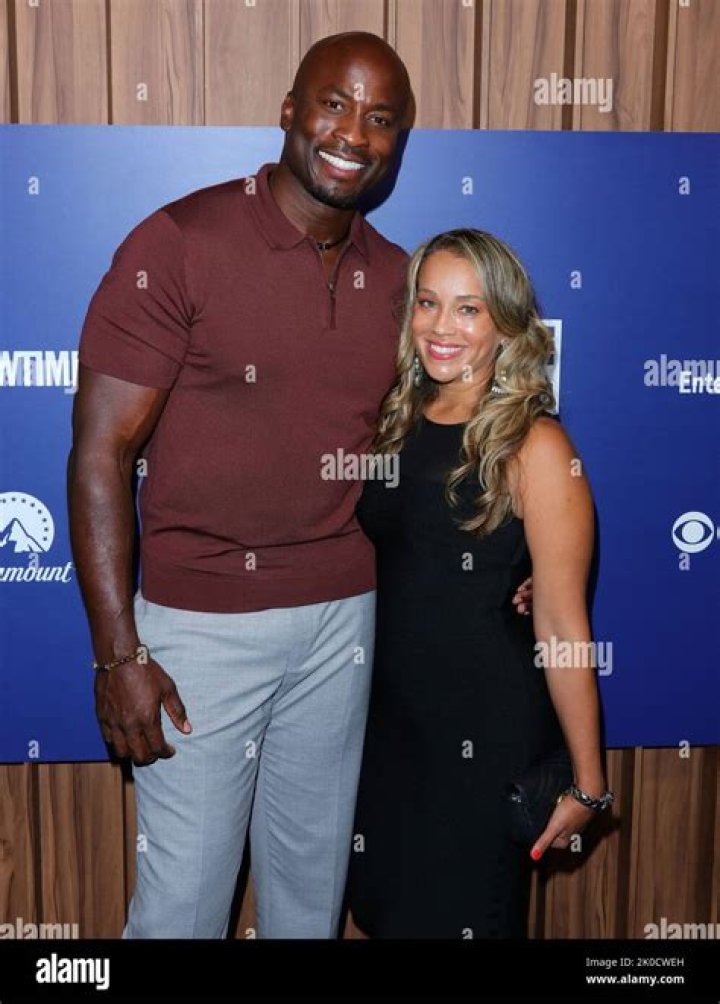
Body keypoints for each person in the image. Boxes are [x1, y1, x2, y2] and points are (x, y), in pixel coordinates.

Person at [68, 30, 529, 939]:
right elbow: (99, 454)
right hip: (200, 629)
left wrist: (528, 556)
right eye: (334, 104)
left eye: (381, 118)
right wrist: (119, 655)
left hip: (343, 624)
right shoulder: (180, 242)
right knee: (182, 910)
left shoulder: (400, 281)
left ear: (399, 142)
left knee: (311, 901)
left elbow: (454, 438)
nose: (354, 133)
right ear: (289, 111)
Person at [345, 229, 613, 939]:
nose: (442, 327)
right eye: (428, 303)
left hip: (484, 729)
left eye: (469, 309)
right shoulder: (396, 419)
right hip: (388, 728)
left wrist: (589, 782)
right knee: (385, 911)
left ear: (506, 323)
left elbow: (562, 624)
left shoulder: (537, 445)